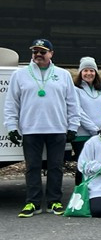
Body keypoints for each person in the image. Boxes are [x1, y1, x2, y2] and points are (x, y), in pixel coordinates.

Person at [4, 38, 79, 217]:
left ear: (51, 54)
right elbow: (11, 103)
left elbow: (72, 103)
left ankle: (54, 201)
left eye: (42, 51)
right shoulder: (20, 75)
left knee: (55, 166)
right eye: (35, 51)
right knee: (32, 167)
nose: (38, 54)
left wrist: (73, 126)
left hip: (57, 128)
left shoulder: (63, 74)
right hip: (31, 128)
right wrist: (12, 127)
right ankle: (33, 203)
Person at [72, 57, 101, 184]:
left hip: (100, 133)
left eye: (92, 70)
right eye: (85, 70)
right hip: (82, 135)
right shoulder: (76, 89)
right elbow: (78, 111)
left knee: (98, 163)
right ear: (81, 72)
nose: (89, 73)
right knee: (83, 164)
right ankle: (80, 192)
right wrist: (94, 129)